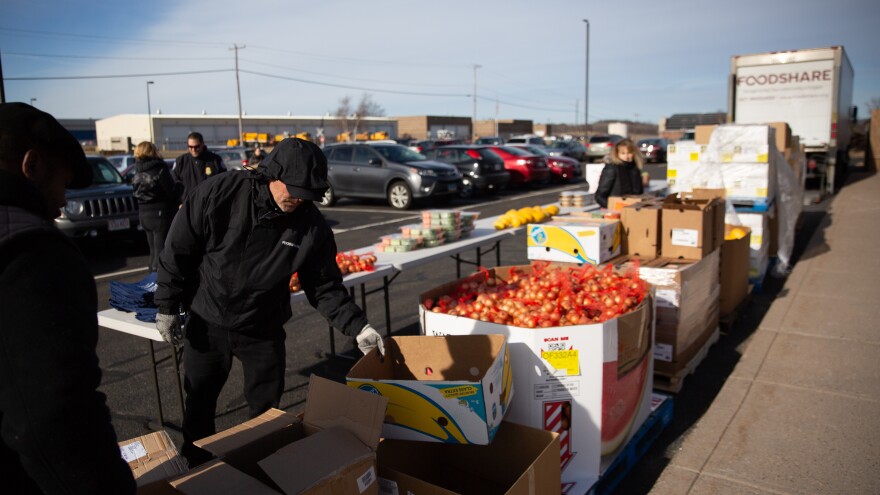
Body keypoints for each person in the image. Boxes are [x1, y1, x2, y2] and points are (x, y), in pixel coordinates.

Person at [154, 137, 385, 466]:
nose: (298, 200)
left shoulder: (311, 226)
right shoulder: (219, 193)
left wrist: (357, 325)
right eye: (293, 190)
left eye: (307, 195)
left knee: (265, 413)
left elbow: (323, 285)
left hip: (262, 326)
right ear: (270, 175)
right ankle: (196, 470)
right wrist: (167, 305)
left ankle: (259, 468)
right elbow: (177, 250)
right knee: (200, 404)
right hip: (209, 319)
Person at [0, 102, 136, 494]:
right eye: (62, 182)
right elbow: (57, 416)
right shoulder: (30, 255)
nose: (62, 200)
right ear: (32, 166)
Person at [131, 141, 180, 272]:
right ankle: (158, 281)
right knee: (161, 249)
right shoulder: (159, 168)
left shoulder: (137, 170)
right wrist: (180, 188)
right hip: (159, 213)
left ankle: (151, 275)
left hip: (143, 213)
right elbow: (171, 190)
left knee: (152, 249)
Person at [172, 131, 225, 204]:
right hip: (188, 204)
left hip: (209, 204)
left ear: (202, 144)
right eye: (190, 147)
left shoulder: (215, 160)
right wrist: (179, 202)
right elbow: (174, 182)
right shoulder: (181, 161)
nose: (193, 150)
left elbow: (223, 181)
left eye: (196, 147)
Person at [595, 138, 646, 209]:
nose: (627, 156)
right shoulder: (611, 168)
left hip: (632, 210)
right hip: (614, 210)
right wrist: (612, 207)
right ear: (617, 154)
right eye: (623, 153)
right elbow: (600, 196)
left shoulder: (635, 169)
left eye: (629, 153)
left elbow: (639, 193)